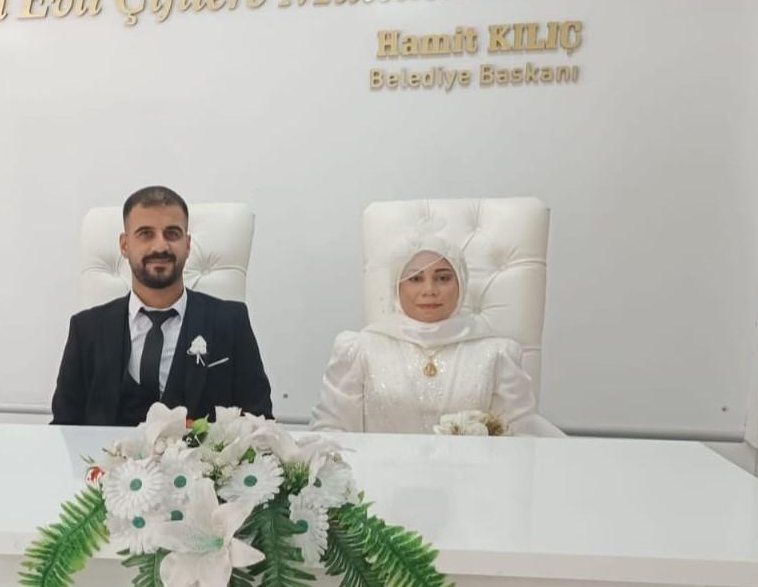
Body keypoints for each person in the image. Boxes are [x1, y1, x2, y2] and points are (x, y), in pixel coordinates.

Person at [51, 186, 272, 426]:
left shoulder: (231, 322)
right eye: (145, 234)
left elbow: (260, 423)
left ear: (187, 245)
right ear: (124, 245)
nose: (160, 246)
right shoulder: (86, 329)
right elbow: (63, 429)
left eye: (172, 234)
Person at [311, 235, 548, 435]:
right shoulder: (360, 350)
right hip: (378, 475)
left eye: (443, 278)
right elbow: (331, 433)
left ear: (461, 283)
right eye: (415, 279)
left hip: (472, 476)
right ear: (397, 287)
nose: (430, 290)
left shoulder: (497, 354)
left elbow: (521, 440)